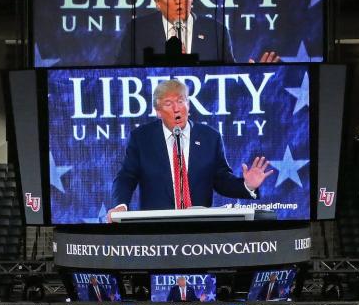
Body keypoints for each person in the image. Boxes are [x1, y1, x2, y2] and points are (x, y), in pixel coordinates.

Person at [107, 78, 273, 219]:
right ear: (158, 112)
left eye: (181, 101)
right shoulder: (141, 138)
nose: (176, 108)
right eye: (168, 103)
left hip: (199, 227)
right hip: (156, 229)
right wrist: (120, 206)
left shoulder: (210, 137)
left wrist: (247, 185)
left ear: (188, 105)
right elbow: (126, 177)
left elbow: (221, 180)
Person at [116, 0, 279, 65]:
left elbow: (229, 74)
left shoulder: (216, 30)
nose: (178, 0)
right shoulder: (138, 30)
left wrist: (256, 73)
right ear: (157, 3)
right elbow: (120, 72)